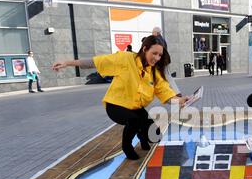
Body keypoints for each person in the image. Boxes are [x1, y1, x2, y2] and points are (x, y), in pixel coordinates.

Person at [52, 35, 189, 160]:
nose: (157, 58)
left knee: (155, 136)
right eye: (154, 53)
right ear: (144, 49)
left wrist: (180, 101)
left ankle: (142, 136)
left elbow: (164, 91)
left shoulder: (154, 72)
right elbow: (95, 62)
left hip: (135, 107)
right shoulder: (125, 59)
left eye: (160, 55)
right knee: (134, 121)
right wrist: (67, 63)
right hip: (116, 105)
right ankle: (127, 146)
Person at [151, 26, 181, 95]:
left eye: (153, 32)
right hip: (164, 61)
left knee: (167, 76)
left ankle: (176, 92)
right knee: (165, 76)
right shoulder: (162, 39)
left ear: (156, 33)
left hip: (163, 61)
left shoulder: (157, 39)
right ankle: (173, 92)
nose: (152, 34)